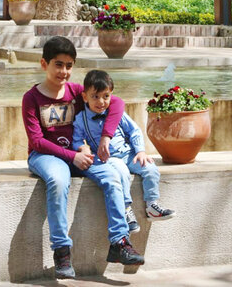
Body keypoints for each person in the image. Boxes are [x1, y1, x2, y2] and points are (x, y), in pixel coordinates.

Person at [22, 36, 145, 279]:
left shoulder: (77, 91)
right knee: (58, 180)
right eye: (58, 64)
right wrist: (72, 155)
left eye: (69, 66)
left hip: (80, 154)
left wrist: (105, 137)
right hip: (45, 155)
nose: (64, 71)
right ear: (44, 64)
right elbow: (37, 140)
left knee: (112, 175)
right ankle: (61, 250)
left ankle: (119, 242)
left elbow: (116, 101)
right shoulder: (32, 98)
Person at [72, 70, 176, 234]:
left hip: (129, 154)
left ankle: (152, 205)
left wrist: (140, 151)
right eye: (95, 97)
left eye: (106, 96)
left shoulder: (116, 113)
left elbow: (134, 131)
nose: (101, 101)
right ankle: (126, 209)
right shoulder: (81, 119)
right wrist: (82, 147)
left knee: (150, 168)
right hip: (109, 159)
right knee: (120, 171)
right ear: (85, 97)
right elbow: (76, 139)